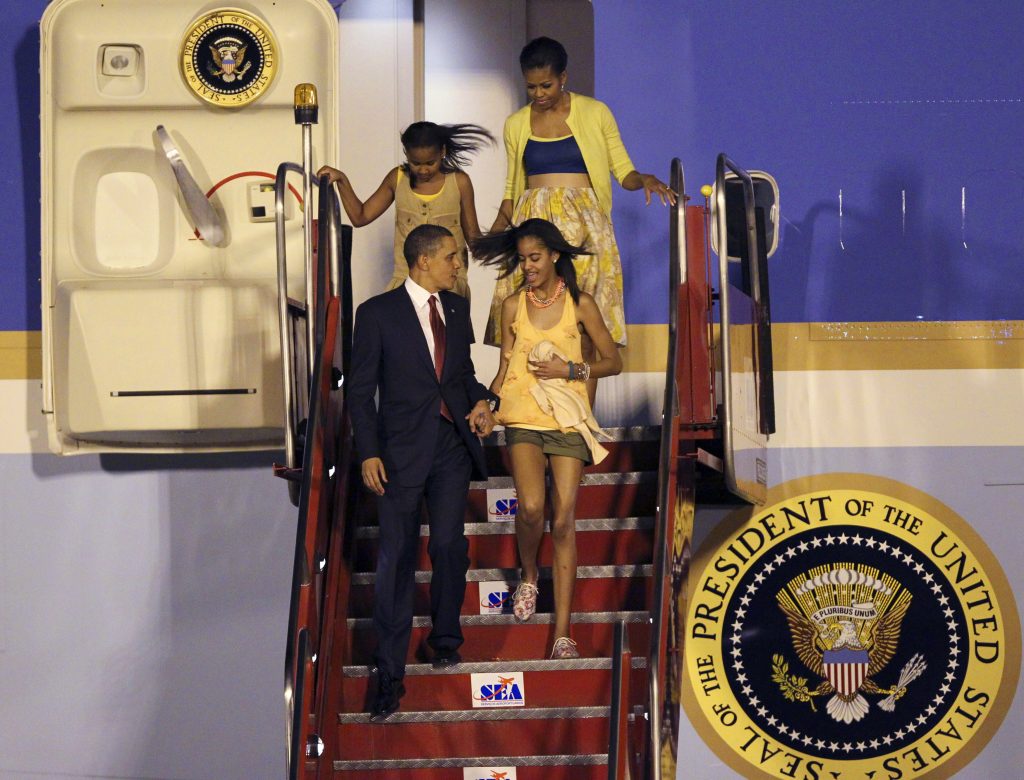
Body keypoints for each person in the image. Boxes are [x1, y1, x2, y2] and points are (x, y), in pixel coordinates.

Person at [348, 224, 497, 721]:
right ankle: (389, 672)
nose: (458, 265)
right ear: (424, 261)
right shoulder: (376, 314)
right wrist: (368, 452)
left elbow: (463, 375)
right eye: (452, 257)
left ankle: (446, 638)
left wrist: (482, 402)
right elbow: (359, 391)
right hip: (397, 456)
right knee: (396, 558)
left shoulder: (456, 309)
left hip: (451, 447)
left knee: (450, 545)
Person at [485, 36, 675, 401]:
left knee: (585, 322)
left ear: (564, 77)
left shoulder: (595, 112)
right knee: (527, 322)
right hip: (534, 224)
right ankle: (530, 413)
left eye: (546, 85)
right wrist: (495, 235)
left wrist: (645, 179)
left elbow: (624, 171)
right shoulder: (516, 123)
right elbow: (513, 187)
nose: (539, 93)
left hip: (586, 231)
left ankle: (581, 419)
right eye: (531, 86)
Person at [472, 218, 622, 660]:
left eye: (534, 258)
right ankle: (530, 576)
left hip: (568, 421)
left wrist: (571, 371)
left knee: (563, 517)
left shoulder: (581, 304)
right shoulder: (512, 305)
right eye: (522, 259)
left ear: (555, 256)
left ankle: (562, 633)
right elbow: (505, 368)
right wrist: (488, 403)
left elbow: (612, 361)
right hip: (521, 416)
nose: (528, 266)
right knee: (533, 506)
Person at [318, 121, 493, 299]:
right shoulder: (397, 179)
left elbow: (474, 241)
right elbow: (360, 216)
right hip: (406, 284)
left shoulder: (460, 182)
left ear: (442, 152)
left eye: (430, 163)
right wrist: (342, 180)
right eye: (415, 163)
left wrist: (506, 243)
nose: (423, 170)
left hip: (450, 286)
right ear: (406, 154)